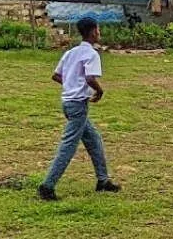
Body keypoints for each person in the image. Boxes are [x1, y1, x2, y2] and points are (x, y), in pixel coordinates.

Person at [37, 18, 120, 202]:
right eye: (98, 30)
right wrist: (99, 90)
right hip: (78, 105)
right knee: (68, 146)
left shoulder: (71, 53)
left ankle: (103, 180)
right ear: (92, 32)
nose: (99, 33)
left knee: (94, 138)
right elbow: (90, 78)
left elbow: (56, 75)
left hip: (68, 103)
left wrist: (71, 85)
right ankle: (47, 186)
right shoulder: (91, 54)